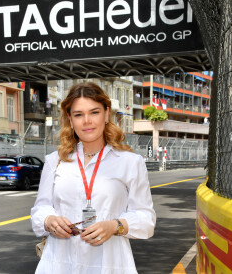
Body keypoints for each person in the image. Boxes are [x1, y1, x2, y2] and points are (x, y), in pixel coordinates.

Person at [31, 82, 156, 274]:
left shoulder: (130, 162)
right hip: (58, 264)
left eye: (94, 112)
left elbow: (147, 220)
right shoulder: (54, 161)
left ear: (106, 114)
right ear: (70, 120)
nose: (87, 120)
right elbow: (39, 210)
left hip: (110, 265)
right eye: (78, 114)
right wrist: (49, 220)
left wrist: (115, 226)